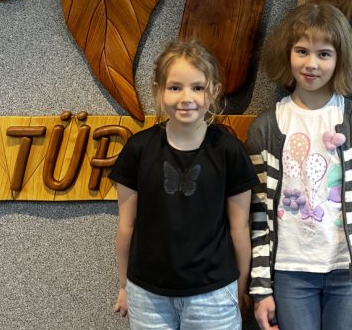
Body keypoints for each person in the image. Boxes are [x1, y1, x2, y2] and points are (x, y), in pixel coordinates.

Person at [247, 3, 352, 330]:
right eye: (302, 51)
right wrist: (260, 289)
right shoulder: (266, 128)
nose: (311, 64)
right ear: (287, 53)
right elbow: (257, 215)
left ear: (340, 59)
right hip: (289, 272)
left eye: (324, 54)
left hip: (347, 272)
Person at [109, 40, 258, 330]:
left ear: (214, 91)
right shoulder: (138, 149)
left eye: (197, 87)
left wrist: (240, 289)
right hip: (147, 295)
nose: (186, 97)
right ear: (158, 91)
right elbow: (126, 226)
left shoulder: (229, 151)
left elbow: (239, 228)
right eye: (175, 87)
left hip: (215, 294)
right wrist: (124, 285)